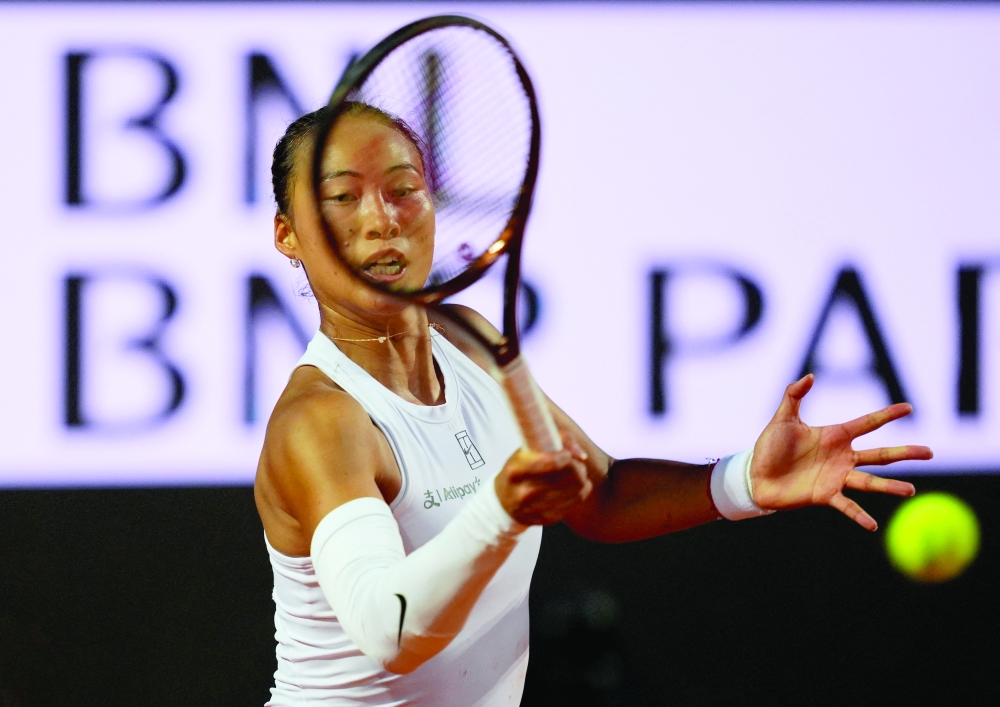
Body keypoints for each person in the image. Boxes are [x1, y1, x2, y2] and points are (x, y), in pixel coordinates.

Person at [254, 104, 931, 707]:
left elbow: (599, 494)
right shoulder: (323, 419)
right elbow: (389, 632)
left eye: (404, 190)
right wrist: (499, 512)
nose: (381, 219)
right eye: (342, 197)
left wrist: (742, 478)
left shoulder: (469, 340)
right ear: (288, 235)